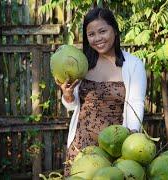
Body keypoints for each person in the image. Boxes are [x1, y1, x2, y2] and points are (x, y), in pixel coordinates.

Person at [55, 7, 147, 176]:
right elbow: (73, 105)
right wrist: (67, 94)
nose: (97, 38)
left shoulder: (133, 65)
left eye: (102, 31)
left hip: (113, 148)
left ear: (115, 31)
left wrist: (131, 142)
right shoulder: (82, 64)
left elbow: (136, 104)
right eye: (91, 34)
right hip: (81, 147)